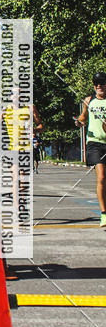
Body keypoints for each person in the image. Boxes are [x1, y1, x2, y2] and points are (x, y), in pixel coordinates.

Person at [76, 72, 106, 227]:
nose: (99, 86)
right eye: (96, 83)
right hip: (94, 143)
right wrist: (79, 122)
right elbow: (83, 117)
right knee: (101, 177)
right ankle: (104, 214)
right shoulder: (89, 100)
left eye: (102, 82)